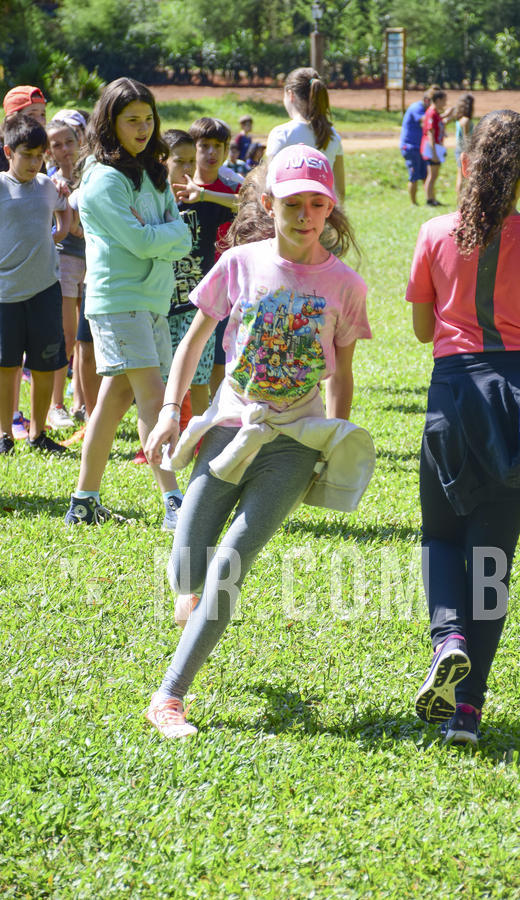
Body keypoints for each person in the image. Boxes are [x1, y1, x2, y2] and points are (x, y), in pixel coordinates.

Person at [143, 145, 374, 738]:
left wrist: (331, 444)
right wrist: (172, 410)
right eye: (292, 203)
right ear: (269, 205)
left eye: (316, 204)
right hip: (227, 429)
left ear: (329, 208)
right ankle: (187, 597)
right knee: (187, 561)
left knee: (229, 566)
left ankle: (169, 697)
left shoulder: (345, 285)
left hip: (294, 441)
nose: (305, 214)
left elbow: (342, 374)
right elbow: (193, 342)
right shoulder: (240, 263)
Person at [407, 110, 520, 746]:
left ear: (466, 165)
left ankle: (447, 635)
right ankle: (468, 714)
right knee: (492, 558)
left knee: (439, 538)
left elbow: (425, 331)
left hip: (452, 396)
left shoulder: (434, 233)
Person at [64, 77, 191, 529]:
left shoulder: (153, 171)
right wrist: (166, 235)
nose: (141, 127)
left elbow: (182, 234)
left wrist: (164, 235)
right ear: (109, 123)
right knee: (154, 398)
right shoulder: (102, 179)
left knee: (115, 398)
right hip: (119, 300)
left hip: (150, 299)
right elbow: (140, 240)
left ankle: (83, 501)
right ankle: (175, 503)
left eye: (147, 118)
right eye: (131, 119)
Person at [0, 114, 72, 455]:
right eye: (26, 154)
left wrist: (62, 228)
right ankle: (4, 434)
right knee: (7, 366)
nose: (33, 162)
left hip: (45, 289)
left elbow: (64, 207)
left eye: (39, 155)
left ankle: (38, 433)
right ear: (8, 151)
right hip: (5, 293)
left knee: (45, 366)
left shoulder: (48, 185)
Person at [173, 117, 240, 400]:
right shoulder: (174, 187)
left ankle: (217, 417)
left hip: (223, 286)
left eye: (218, 146)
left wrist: (205, 195)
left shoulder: (231, 185)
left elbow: (247, 202)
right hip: (180, 291)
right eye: (204, 146)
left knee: (219, 360)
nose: (212, 153)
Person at [46, 117, 87, 429]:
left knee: (88, 338)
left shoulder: (92, 175)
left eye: (69, 142)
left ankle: (81, 402)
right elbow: (69, 229)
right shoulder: (49, 181)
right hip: (65, 263)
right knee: (65, 335)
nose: (64, 149)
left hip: (96, 263)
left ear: (80, 141)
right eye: (56, 144)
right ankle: (56, 404)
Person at [266, 67, 345, 203]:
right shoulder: (333, 136)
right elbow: (340, 192)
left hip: (290, 215)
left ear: (290, 95)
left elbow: (269, 185)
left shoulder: (281, 134)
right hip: (323, 215)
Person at [399, 91, 430, 205]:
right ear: (427, 100)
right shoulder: (417, 108)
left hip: (420, 147)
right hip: (410, 147)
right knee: (414, 176)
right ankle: (413, 203)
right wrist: (444, 116)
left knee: (425, 175)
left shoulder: (425, 109)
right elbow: (425, 122)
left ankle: (429, 199)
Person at [420, 88, 447, 207]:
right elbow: (430, 133)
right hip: (432, 147)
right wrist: (434, 152)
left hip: (436, 147)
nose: (445, 104)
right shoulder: (431, 112)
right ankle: (429, 200)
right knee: (432, 175)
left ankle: (432, 198)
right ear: (438, 100)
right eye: (444, 101)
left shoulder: (436, 113)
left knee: (434, 175)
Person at [454, 93, 474, 196]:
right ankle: (461, 200)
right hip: (464, 150)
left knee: (461, 176)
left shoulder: (459, 119)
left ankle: (460, 199)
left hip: (459, 149)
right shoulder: (466, 120)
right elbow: (467, 138)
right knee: (462, 177)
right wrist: (469, 152)